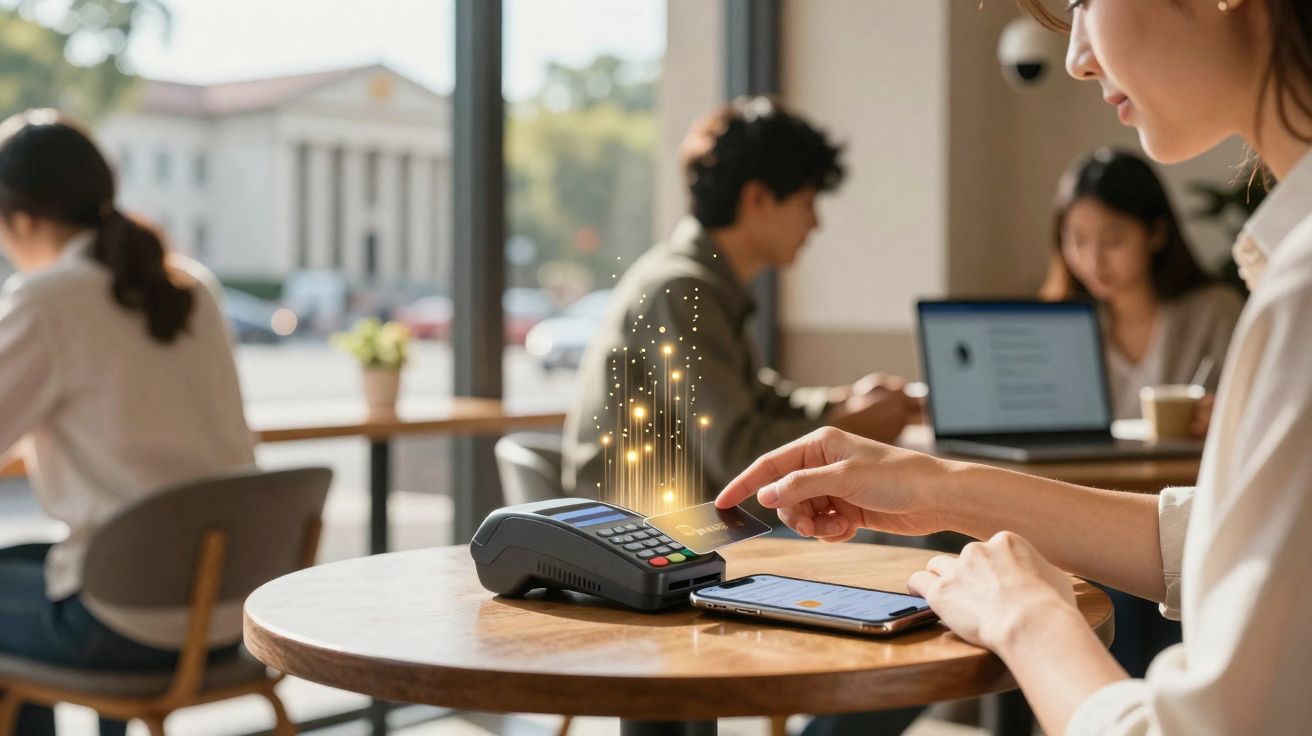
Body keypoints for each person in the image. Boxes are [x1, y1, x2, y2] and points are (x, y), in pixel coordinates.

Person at [717, 1, 1312, 733]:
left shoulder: (1297, 293)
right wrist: (938, 487)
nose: (1077, 56)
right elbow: (1219, 542)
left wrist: (1028, 618)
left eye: (1086, 1)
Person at [0, 111, 256, 736]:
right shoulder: (194, 286)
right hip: (229, 609)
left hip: (133, 625)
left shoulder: (51, 300)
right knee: (43, 562)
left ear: (23, 218)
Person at [563, 97, 917, 507]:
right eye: (806, 202)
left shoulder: (700, 281)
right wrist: (854, 426)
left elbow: (753, 401)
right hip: (658, 530)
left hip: (684, 514)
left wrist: (842, 402)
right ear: (757, 199)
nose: (815, 223)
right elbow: (738, 460)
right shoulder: (680, 289)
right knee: (921, 525)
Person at [1041, 148, 1243, 423]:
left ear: (1156, 233)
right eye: (1077, 240)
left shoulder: (1215, 312)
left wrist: (1221, 416)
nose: (1093, 260)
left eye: (1113, 241)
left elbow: (1255, 412)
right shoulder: (1058, 324)